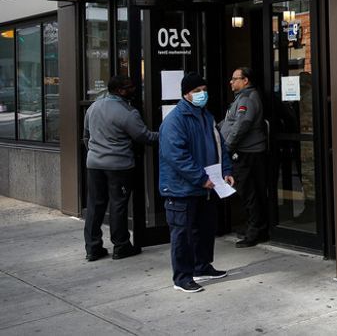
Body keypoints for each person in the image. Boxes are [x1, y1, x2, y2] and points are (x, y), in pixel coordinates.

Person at [159, 72, 234, 293]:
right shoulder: (175, 121)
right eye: (196, 91)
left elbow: (220, 147)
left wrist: (226, 170)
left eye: (204, 89)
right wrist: (202, 179)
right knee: (182, 234)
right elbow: (177, 157)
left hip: (206, 187)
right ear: (186, 94)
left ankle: (202, 266)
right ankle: (182, 277)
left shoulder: (206, 116)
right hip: (182, 189)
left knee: (204, 229)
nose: (202, 94)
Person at [82, 75, 159, 261]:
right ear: (120, 90)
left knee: (95, 205)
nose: (134, 90)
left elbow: (85, 135)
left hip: (94, 164)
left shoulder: (93, 107)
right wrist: (167, 133)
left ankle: (93, 248)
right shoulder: (127, 112)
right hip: (119, 166)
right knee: (118, 205)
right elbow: (144, 137)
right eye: (130, 87)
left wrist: (95, 152)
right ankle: (121, 245)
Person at [219, 67, 269, 247]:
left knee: (249, 193)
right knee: (249, 191)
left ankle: (255, 231)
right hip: (247, 152)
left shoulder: (247, 99)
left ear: (245, 80)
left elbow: (241, 124)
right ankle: (253, 227)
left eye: (235, 79)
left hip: (247, 153)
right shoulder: (242, 98)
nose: (231, 82)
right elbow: (231, 122)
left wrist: (227, 146)